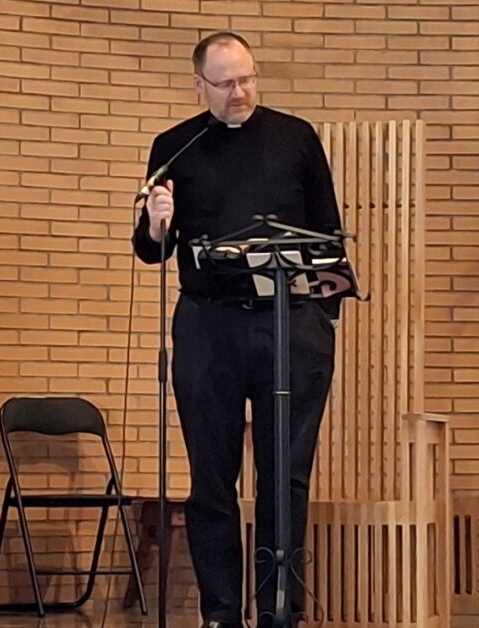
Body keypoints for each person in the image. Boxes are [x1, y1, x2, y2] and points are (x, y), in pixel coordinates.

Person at [132, 32, 342, 627]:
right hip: (209, 329)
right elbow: (150, 249)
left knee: (285, 477)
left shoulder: (296, 137)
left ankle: (279, 611)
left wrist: (323, 316)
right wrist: (156, 224)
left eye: (247, 78)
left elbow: (328, 233)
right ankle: (221, 612)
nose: (239, 92)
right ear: (198, 85)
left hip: (289, 327)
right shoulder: (175, 146)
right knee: (211, 478)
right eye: (224, 83)